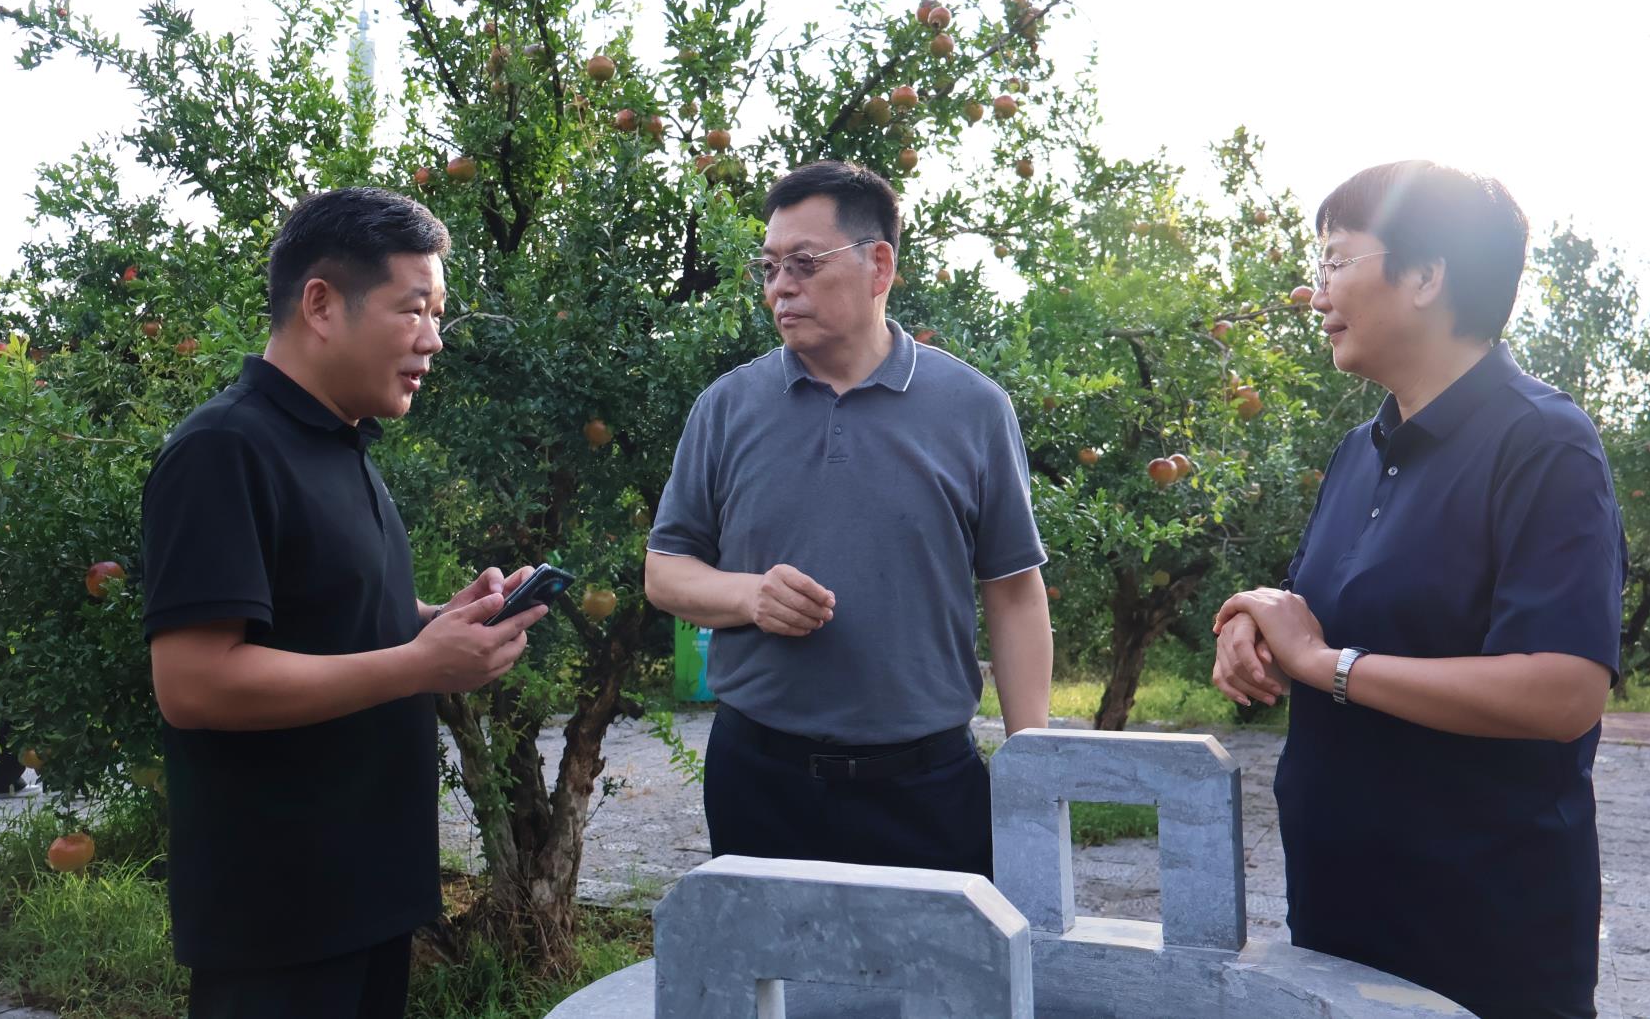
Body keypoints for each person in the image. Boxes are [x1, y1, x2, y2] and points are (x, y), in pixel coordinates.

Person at [1210, 161, 1621, 1018]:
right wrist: (1256, 622)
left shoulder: (1543, 443)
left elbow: (1563, 689)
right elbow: (1323, 612)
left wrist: (1328, 664)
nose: (1314, 291)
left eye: (1336, 260)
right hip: (1338, 913)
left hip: (1481, 934)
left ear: (1428, 274)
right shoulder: (1357, 451)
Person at [142, 187, 549, 1019]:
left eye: (437, 313)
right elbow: (194, 682)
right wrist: (417, 665)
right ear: (322, 304)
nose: (433, 338)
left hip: (368, 896)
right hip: (279, 921)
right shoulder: (225, 448)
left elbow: (325, 621)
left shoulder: (340, 442)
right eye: (414, 309)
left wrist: (435, 623)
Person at [644, 159, 1053, 880]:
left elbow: (1015, 593)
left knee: (939, 959)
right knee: (769, 957)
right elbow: (665, 571)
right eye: (769, 266)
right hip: (759, 779)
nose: (780, 286)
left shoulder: (973, 409)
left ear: (879, 266)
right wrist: (751, 595)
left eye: (804, 263)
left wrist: (1033, 772)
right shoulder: (727, 408)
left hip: (926, 789)